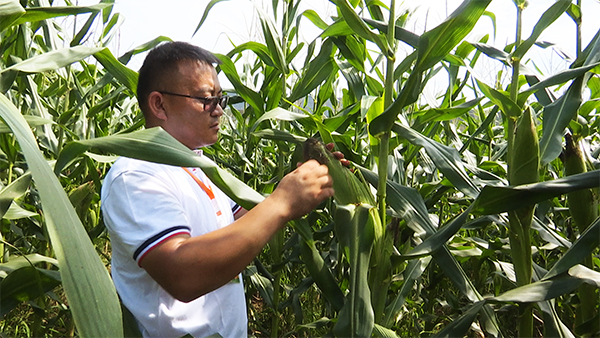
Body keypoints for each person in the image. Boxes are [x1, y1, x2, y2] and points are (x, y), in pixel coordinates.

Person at [101, 41, 334, 338]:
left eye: (221, 99)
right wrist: (282, 203)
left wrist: (299, 184)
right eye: (206, 99)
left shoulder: (196, 163)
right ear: (159, 104)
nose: (219, 111)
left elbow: (238, 223)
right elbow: (182, 273)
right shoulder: (137, 174)